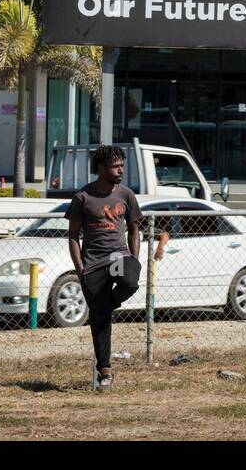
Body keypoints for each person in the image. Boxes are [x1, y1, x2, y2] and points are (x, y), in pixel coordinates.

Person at [65, 144, 169, 391]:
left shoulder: (126, 195)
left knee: (130, 280)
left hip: (118, 258)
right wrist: (80, 269)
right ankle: (105, 371)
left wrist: (133, 258)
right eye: (115, 166)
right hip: (93, 265)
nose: (121, 169)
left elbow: (135, 229)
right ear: (100, 169)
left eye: (122, 165)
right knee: (100, 321)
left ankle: (107, 304)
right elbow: (72, 236)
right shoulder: (83, 197)